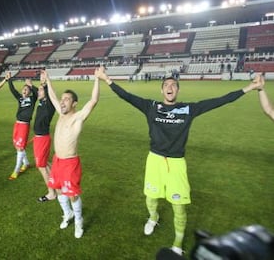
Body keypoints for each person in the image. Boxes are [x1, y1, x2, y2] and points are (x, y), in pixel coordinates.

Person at [95, 66, 262, 255]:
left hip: (176, 164)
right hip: (155, 160)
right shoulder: (151, 107)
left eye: (173, 85)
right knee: (150, 198)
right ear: (161, 90)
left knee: (179, 208)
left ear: (178, 90)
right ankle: (153, 217)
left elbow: (220, 101)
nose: (170, 87)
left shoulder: (188, 109)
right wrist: (105, 78)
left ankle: (177, 243)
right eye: (166, 85)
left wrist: (248, 88)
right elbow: (126, 95)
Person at [42, 68, 100, 239]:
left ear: (74, 103)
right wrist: (48, 79)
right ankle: (68, 214)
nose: (62, 101)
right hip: (57, 160)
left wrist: (97, 79)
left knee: (72, 194)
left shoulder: (78, 117)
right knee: (59, 190)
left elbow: (94, 100)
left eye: (67, 99)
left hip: (70, 163)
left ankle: (79, 221)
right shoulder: (61, 114)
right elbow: (52, 96)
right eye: (63, 99)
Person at [7, 72, 38, 180]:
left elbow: (37, 92)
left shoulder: (32, 99)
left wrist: (30, 85)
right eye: (23, 90)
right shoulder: (20, 98)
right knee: (17, 146)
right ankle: (26, 163)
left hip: (24, 125)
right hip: (17, 124)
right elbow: (13, 90)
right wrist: (9, 79)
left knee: (20, 147)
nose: (24, 91)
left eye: (26, 90)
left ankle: (16, 170)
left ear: (29, 92)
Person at [34, 72, 56, 202]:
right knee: (45, 164)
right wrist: (41, 82)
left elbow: (49, 93)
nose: (38, 92)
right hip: (39, 138)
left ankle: (51, 193)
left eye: (40, 91)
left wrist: (46, 82)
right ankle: (57, 179)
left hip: (42, 138)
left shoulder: (49, 105)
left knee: (41, 166)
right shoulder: (41, 103)